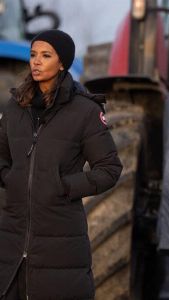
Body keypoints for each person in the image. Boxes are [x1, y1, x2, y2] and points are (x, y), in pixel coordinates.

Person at [0, 29, 122, 299]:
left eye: (46, 55)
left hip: (61, 242)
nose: (36, 61)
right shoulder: (14, 107)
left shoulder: (85, 111)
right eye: (33, 55)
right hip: (11, 238)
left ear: (63, 63)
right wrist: (10, 177)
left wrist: (64, 186)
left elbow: (109, 169)